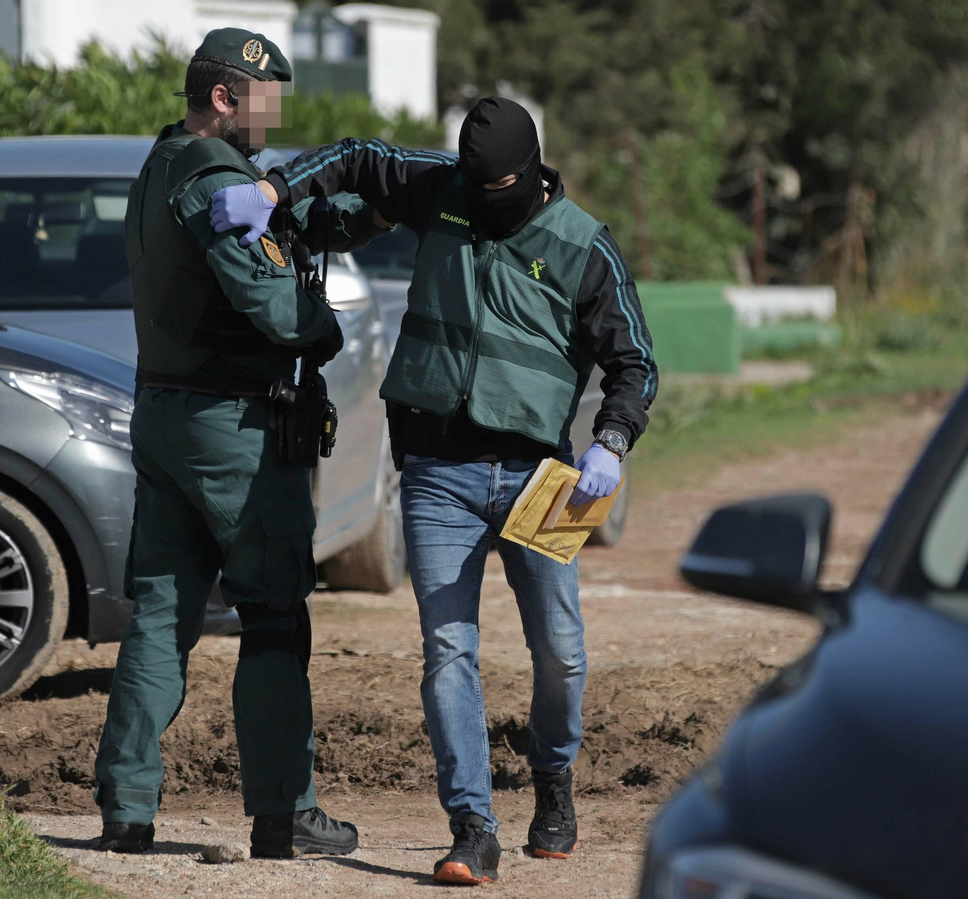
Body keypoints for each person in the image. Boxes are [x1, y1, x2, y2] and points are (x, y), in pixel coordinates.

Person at [210, 97, 657, 885]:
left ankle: (553, 781)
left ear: (530, 174)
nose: (484, 203)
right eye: (475, 189)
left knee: (561, 652)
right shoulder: (440, 187)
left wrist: (612, 442)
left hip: (540, 476)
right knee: (448, 648)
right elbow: (354, 155)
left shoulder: (585, 246)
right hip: (437, 472)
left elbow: (636, 363)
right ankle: (472, 825)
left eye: (500, 191)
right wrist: (276, 190)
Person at [92, 27, 385, 858]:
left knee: (159, 614)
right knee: (272, 616)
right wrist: (323, 325)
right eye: (266, 103)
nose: (276, 119)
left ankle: (126, 807)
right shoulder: (216, 175)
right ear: (225, 97)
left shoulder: (159, 164)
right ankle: (284, 811)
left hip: (163, 414)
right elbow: (275, 306)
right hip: (236, 431)